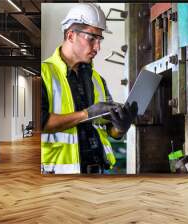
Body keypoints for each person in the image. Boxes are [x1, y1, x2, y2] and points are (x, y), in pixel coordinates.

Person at [41, 3, 137, 174]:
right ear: (71, 36)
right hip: (58, 174)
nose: (97, 47)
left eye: (100, 40)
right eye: (92, 38)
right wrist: (87, 114)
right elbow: (40, 122)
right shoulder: (44, 73)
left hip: (97, 171)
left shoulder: (97, 79)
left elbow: (109, 130)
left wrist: (121, 127)